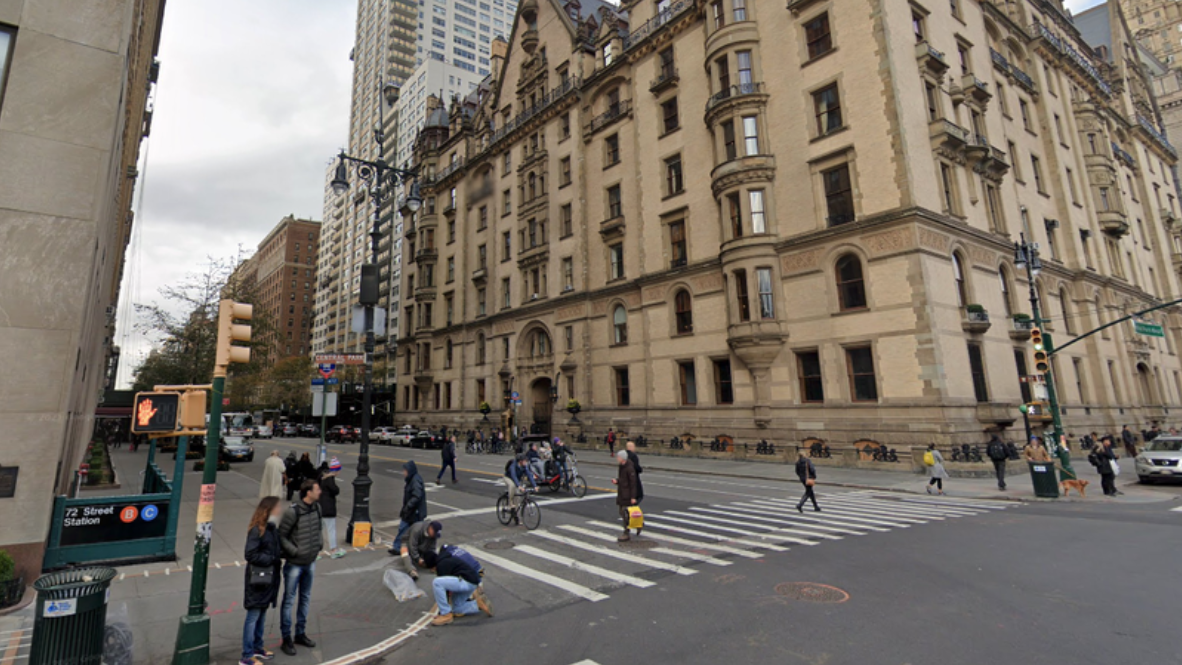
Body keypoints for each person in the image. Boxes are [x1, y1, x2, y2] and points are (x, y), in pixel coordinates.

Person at [277, 479, 322, 656]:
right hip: (295, 564)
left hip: (310, 561)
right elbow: (282, 536)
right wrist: (294, 552)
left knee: (305, 598)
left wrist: (319, 544)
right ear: (308, 492)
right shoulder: (293, 512)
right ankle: (286, 638)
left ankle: (300, 634)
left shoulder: (317, 508)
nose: (320, 492)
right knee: (289, 600)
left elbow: (318, 528)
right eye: (317, 489)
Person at [240, 497, 282, 665]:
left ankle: (258, 647)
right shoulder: (258, 530)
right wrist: (271, 558)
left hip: (268, 579)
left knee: (262, 614)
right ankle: (246, 655)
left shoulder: (271, 529)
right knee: (253, 616)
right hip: (258, 579)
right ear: (269, 510)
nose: (280, 510)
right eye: (277, 507)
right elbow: (250, 554)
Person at [422, 548, 493, 626]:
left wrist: (442, 612)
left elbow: (445, 591)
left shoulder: (441, 565)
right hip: (472, 582)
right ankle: (477, 604)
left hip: (466, 581)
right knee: (456, 608)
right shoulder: (446, 559)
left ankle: (446, 615)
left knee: (437, 582)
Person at [389, 461, 426, 556]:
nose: (403, 473)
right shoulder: (412, 479)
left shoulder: (415, 480)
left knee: (407, 529)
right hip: (411, 511)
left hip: (414, 512)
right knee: (406, 530)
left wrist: (408, 506)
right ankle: (398, 547)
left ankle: (399, 548)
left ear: (409, 471)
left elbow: (417, 496)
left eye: (405, 471)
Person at [318, 458, 345, 559]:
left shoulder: (324, 478)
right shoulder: (330, 479)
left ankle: (315, 551)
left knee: (319, 530)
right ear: (336, 470)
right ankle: (333, 550)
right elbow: (335, 490)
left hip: (321, 507)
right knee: (331, 530)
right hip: (328, 509)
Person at [612, 450, 639, 541]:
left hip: (627, 494)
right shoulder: (621, 466)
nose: (617, 458)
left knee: (625, 513)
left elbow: (633, 483)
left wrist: (633, 497)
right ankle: (638, 524)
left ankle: (626, 533)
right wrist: (617, 481)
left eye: (618, 457)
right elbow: (623, 479)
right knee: (622, 512)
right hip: (622, 493)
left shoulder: (629, 468)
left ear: (622, 458)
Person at [503, 455, 537, 525]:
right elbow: (513, 476)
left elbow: (529, 475)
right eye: (525, 461)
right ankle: (510, 502)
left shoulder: (524, 466)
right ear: (520, 461)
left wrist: (535, 486)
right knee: (512, 486)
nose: (526, 462)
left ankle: (515, 515)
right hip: (508, 478)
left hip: (517, 480)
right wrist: (519, 486)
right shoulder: (513, 465)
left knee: (518, 498)